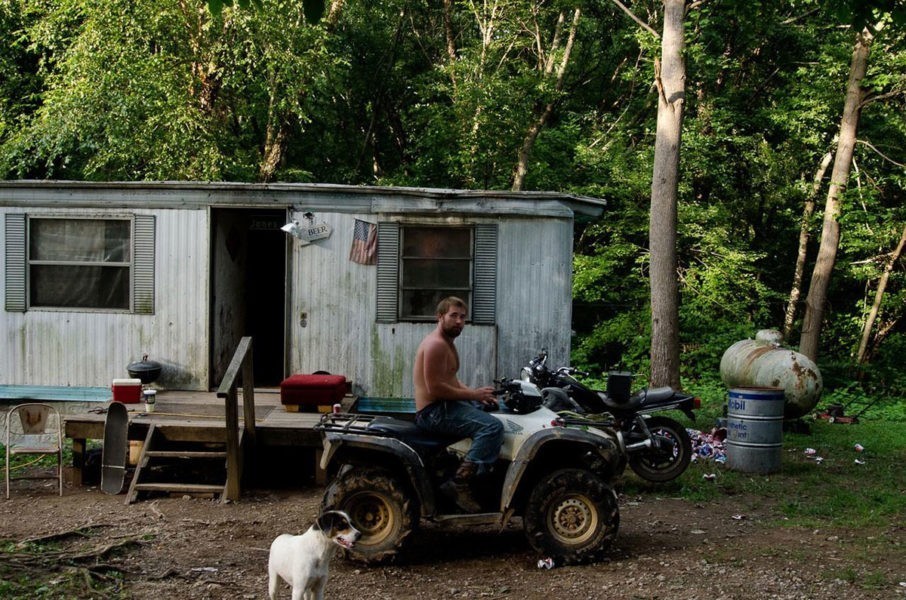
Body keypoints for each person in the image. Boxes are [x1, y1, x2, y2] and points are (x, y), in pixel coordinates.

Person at [413, 296, 504, 512]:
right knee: (492, 427)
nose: (459, 321)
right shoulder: (436, 345)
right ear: (440, 316)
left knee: (493, 411)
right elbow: (435, 388)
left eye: (463, 317)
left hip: (442, 407)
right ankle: (460, 482)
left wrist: (478, 395)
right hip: (433, 413)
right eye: (453, 316)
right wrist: (473, 395)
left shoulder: (447, 343)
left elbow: (451, 381)